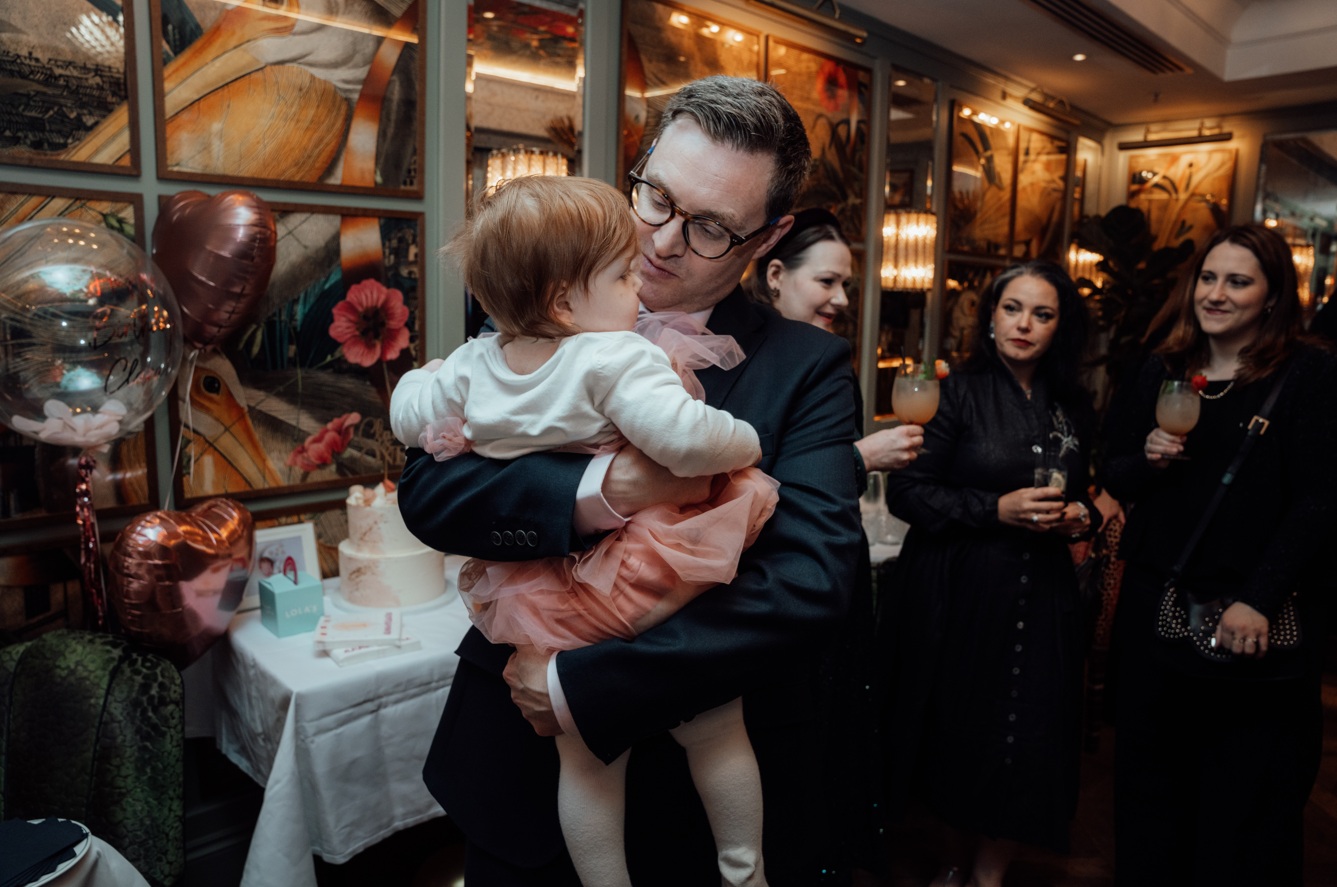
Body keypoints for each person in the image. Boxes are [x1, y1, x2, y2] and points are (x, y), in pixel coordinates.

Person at [395, 75, 866, 885]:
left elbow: (810, 579)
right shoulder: (540, 301)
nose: (662, 241)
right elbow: (432, 494)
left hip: (686, 799)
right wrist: (604, 490)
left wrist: (578, 683)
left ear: (768, 237)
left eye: (710, 226)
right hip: (518, 776)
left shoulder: (808, 367)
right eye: (655, 197)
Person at [1102, 224, 1337, 886]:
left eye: (1238, 281)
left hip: (1250, 616)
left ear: (1272, 296)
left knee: (1244, 803)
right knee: (1150, 791)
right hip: (1156, 606)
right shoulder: (1161, 366)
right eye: (1208, 277)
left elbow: (1321, 499)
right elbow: (1113, 470)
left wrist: (1258, 597)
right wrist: (1146, 459)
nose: (1216, 293)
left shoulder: (1308, 372)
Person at [881, 260, 1101, 887]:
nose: (1024, 324)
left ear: (1060, 327)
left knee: (1027, 736)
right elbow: (907, 494)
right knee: (962, 731)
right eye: (1012, 308)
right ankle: (955, 860)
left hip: (1044, 595)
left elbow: (1084, 493)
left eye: (1042, 313)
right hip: (964, 592)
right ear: (991, 316)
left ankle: (989, 873)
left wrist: (1079, 517)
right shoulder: (955, 391)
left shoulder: (1073, 405)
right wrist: (994, 509)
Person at [751, 207, 924, 472]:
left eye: (845, 284)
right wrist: (863, 458)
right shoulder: (739, 357)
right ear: (776, 275)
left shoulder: (830, 359)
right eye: (827, 281)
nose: (842, 299)